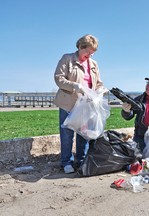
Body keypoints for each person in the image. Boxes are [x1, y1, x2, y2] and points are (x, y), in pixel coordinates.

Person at [54, 34, 103, 174]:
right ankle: (66, 162)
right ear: (81, 47)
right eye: (88, 51)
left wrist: (100, 91)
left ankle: (82, 160)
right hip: (68, 103)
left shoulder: (94, 64)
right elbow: (58, 78)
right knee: (66, 134)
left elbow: (98, 83)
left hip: (85, 105)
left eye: (92, 52)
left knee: (84, 134)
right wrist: (74, 86)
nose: (90, 54)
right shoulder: (67, 58)